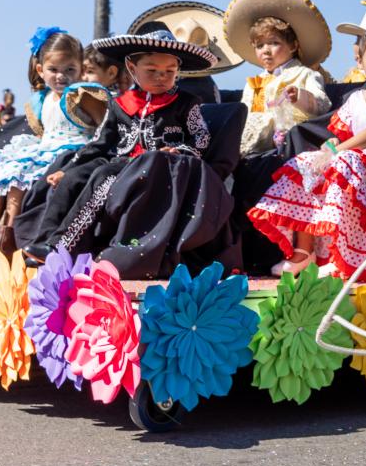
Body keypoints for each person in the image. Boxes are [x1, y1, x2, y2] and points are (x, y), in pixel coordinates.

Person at [33, 30, 237, 279]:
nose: (161, 77)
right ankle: (44, 240)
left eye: (169, 71)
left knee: (103, 175)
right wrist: (68, 169)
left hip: (157, 169)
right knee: (73, 177)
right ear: (131, 67)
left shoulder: (187, 102)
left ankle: (64, 247)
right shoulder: (120, 104)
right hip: (122, 161)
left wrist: (179, 151)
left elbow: (201, 138)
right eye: (152, 70)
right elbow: (100, 143)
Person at [250, 17, 366, 279]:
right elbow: (340, 134)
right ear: (359, 61)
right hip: (358, 162)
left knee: (344, 161)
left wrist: (340, 149)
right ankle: (304, 250)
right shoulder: (355, 99)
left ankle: (343, 255)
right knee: (306, 163)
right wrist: (331, 145)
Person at [0, 28, 95, 265]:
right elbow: (43, 131)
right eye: (53, 70)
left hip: (70, 148)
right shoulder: (42, 99)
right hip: (46, 146)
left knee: (18, 178)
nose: (61, 76)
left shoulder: (80, 96)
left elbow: (99, 128)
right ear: (40, 70)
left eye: (69, 70)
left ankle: (8, 239)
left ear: (81, 70)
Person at [222, 0, 332, 156]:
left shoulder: (305, 74)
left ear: (294, 45)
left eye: (274, 43)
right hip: (253, 149)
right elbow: (247, 115)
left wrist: (300, 96)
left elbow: (322, 104)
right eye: (259, 45)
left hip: (292, 148)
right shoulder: (254, 83)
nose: (266, 50)